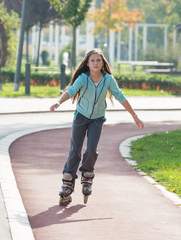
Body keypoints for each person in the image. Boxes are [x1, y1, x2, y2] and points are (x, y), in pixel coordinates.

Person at [50, 48, 144, 205]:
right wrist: (58, 102)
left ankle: (87, 174)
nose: (95, 63)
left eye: (98, 60)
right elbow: (72, 90)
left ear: (103, 63)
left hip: (97, 119)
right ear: (87, 63)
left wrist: (135, 116)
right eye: (92, 60)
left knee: (92, 149)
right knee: (75, 150)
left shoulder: (108, 79)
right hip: (80, 117)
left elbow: (120, 96)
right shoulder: (83, 78)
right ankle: (68, 180)